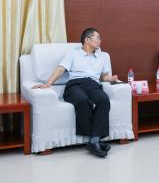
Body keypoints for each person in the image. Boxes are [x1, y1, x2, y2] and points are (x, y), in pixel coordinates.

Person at [34, 28, 119, 158]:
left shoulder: (102, 57)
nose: (100, 41)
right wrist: (48, 84)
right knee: (83, 101)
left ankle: (94, 140)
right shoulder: (73, 54)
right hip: (75, 85)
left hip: (93, 85)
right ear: (87, 40)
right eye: (97, 38)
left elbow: (103, 77)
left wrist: (111, 79)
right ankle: (95, 140)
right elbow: (60, 69)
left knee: (104, 100)